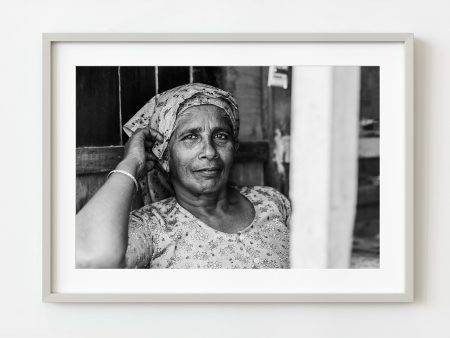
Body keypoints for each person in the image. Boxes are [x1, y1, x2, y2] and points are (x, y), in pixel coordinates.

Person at [76, 83, 291, 269]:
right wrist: (130, 163)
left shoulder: (270, 201)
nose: (209, 151)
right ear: (166, 158)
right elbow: (89, 258)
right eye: (190, 137)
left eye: (221, 136)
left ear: (234, 148)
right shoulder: (152, 227)